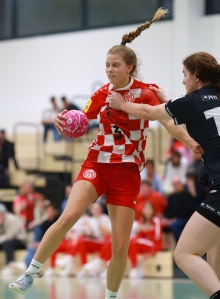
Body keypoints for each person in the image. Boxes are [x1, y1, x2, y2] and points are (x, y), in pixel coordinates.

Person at [9, 9, 201, 298]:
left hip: (126, 173)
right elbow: (80, 120)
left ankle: (111, 295)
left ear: (130, 68)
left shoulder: (147, 93)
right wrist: (63, 122)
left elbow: (168, 123)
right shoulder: (101, 94)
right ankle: (32, 271)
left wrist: (188, 141)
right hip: (96, 164)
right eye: (107, 65)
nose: (109, 70)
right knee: (68, 215)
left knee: (120, 246)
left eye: (115, 65)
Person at [109, 51, 220, 298]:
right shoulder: (210, 99)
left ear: (197, 75)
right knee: (214, 251)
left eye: (184, 74)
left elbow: (149, 113)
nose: (183, 80)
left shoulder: (190, 101)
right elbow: (198, 119)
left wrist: (122, 105)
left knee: (184, 253)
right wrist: (168, 100)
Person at [128, 201, 163, 278]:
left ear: (153, 210)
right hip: (143, 244)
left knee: (133, 241)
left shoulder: (156, 220)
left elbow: (157, 238)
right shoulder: (141, 220)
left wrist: (147, 231)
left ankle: (134, 268)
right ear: (143, 210)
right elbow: (140, 237)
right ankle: (135, 267)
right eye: (146, 209)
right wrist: (143, 230)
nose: (147, 211)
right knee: (131, 242)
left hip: (153, 244)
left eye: (149, 209)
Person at [0, 203, 27, 276]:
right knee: (6, 243)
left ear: (4, 213)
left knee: (7, 244)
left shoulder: (11, 219)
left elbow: (10, 235)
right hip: (7, 240)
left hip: (20, 240)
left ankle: (10, 266)